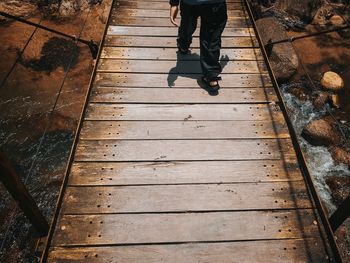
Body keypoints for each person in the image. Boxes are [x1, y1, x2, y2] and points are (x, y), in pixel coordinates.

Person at [169, 0, 228, 91]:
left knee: (187, 26)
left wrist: (174, 3)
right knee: (211, 38)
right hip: (214, 4)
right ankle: (211, 75)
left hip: (189, 3)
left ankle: (183, 45)